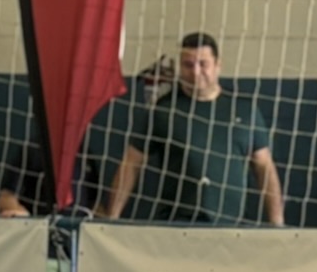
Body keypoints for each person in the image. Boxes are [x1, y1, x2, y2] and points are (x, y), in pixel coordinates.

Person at [100, 33, 284, 225]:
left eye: (203, 64)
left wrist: (277, 222)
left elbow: (264, 167)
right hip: (176, 224)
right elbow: (132, 163)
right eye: (188, 65)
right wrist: (111, 218)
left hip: (230, 226)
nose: (195, 72)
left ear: (217, 65)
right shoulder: (163, 111)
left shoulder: (245, 111)